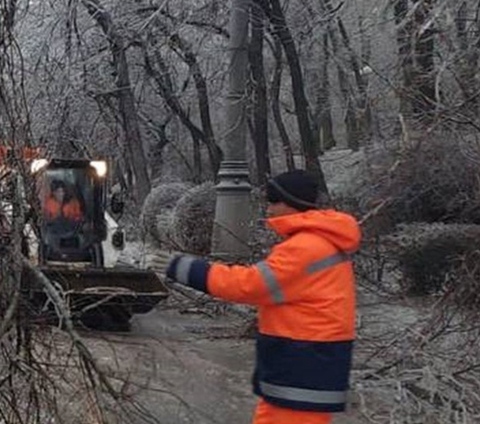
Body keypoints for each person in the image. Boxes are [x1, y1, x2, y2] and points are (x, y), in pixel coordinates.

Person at [149, 170, 361, 424]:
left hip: (301, 366)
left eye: (273, 201)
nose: (268, 209)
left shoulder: (304, 248)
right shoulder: (321, 242)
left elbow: (250, 285)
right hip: (308, 365)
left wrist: (188, 269)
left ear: (293, 204)